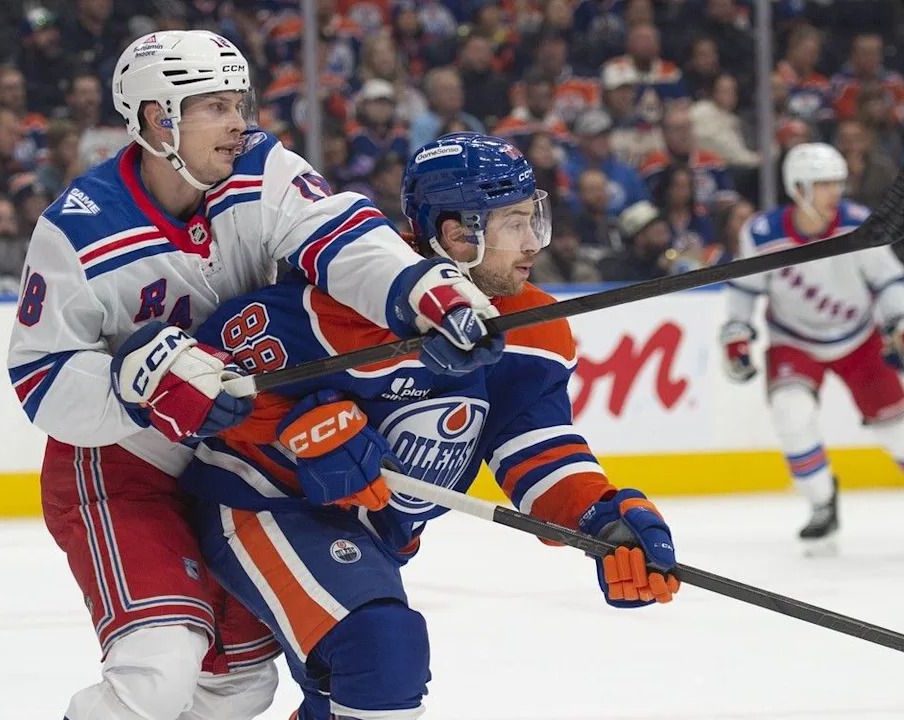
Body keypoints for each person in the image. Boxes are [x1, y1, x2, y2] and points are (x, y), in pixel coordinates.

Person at [6, 31, 502, 720]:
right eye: (214, 105)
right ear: (158, 118)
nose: (240, 121)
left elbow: (339, 234)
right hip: (121, 467)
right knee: (158, 666)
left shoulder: (261, 168)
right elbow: (41, 379)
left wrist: (421, 289)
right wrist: (137, 389)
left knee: (239, 686)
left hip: (235, 464)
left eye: (240, 101)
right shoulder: (79, 230)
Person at [181, 133, 681, 719]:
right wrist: (298, 425)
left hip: (376, 538)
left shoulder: (534, 329)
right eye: (514, 223)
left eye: (533, 219)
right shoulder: (349, 296)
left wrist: (603, 518)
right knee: (382, 652)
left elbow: (538, 451)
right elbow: (201, 382)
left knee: (346, 693)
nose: (532, 244)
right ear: (457, 233)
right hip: (264, 504)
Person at [720, 142, 904, 548]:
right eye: (824, 184)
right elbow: (745, 289)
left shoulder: (858, 224)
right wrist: (736, 332)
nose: (834, 192)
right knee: (791, 412)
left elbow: (889, 280)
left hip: (860, 337)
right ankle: (822, 502)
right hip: (793, 340)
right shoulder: (762, 233)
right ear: (799, 187)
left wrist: (899, 321)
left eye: (837, 183)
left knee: (897, 430)